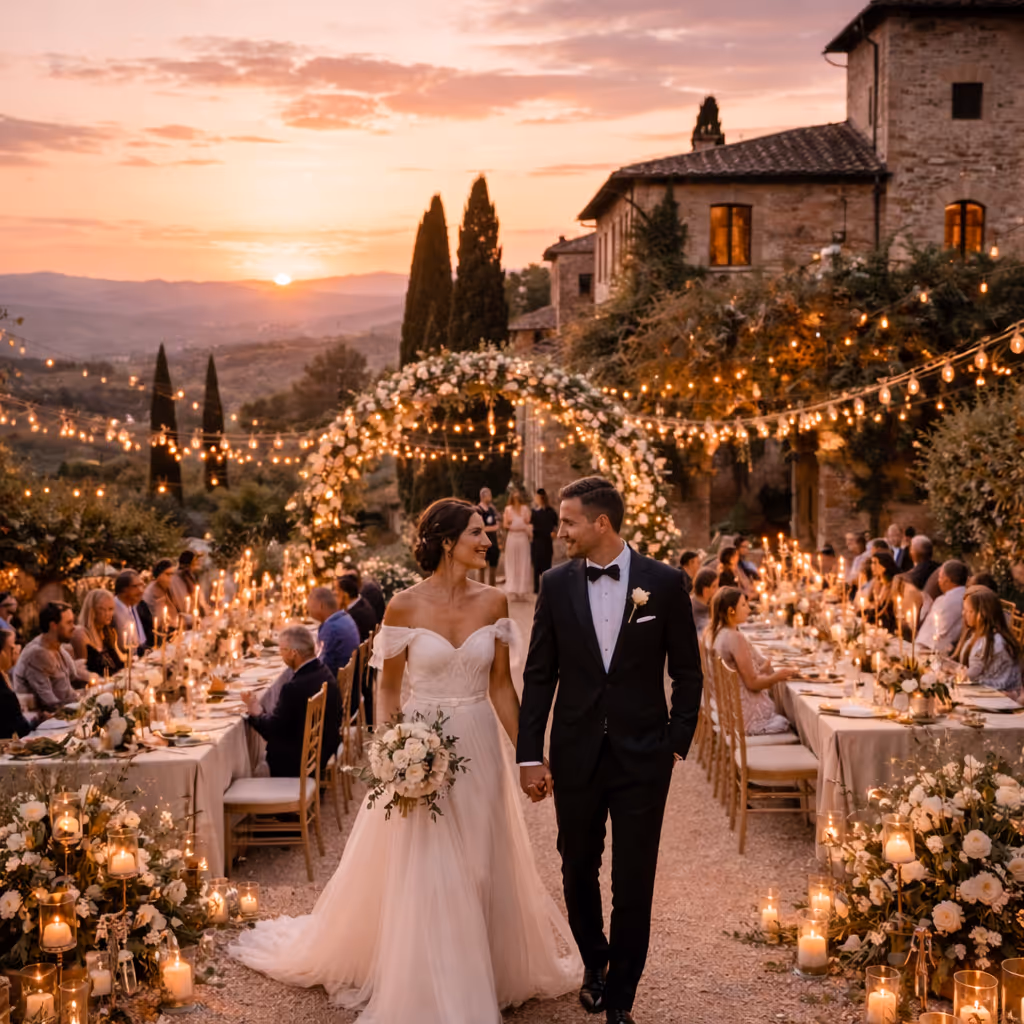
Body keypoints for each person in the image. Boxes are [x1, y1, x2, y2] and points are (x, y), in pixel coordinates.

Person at [231, 498, 580, 1022]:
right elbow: (388, 689)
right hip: (421, 742)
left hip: (479, 740)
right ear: (447, 542)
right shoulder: (403, 606)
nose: (488, 541)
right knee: (428, 862)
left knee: (480, 857)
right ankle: (433, 976)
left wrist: (530, 756)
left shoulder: (494, 603)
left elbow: (502, 688)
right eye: (477, 533)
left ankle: (483, 965)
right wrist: (394, 753)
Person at [518, 476, 703, 1024]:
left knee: (634, 880)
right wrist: (530, 753)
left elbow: (688, 673)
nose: (560, 531)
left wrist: (675, 743)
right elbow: (539, 675)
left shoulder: (664, 583)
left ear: (602, 523)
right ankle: (593, 963)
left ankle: (621, 996)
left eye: (568, 521)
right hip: (575, 752)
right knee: (576, 867)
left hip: (644, 755)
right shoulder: (555, 584)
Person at [244, 624, 340, 776]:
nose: (281, 655)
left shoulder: (293, 687)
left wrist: (256, 714)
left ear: (293, 653)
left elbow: (273, 732)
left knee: (255, 767)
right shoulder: (323, 671)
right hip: (324, 748)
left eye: (282, 650)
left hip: (296, 763)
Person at [706, 588, 796, 735]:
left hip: (731, 714)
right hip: (746, 720)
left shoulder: (717, 633)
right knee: (793, 724)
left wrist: (761, 670)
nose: (748, 609)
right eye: (743, 605)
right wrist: (777, 677)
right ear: (731, 611)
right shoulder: (735, 637)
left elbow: (739, 677)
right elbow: (752, 684)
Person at [12, 602, 88, 710]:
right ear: (53, 626)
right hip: (47, 718)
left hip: (68, 709)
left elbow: (74, 679)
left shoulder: (58, 647)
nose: (73, 627)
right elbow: (50, 703)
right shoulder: (37, 654)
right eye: (69, 623)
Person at [955, 586, 1022, 697]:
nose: (963, 614)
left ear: (982, 615)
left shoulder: (996, 643)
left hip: (999, 699)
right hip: (984, 695)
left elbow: (974, 675)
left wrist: (957, 673)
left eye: (969, 611)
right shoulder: (976, 635)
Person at [309, 586, 359, 684]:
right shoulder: (345, 617)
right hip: (349, 681)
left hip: (335, 684)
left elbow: (320, 667)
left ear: (321, 606)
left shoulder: (331, 628)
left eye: (310, 605)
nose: (308, 609)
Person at [918, 560, 968, 655]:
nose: (938, 581)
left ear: (946, 580)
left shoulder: (945, 600)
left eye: (940, 577)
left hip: (933, 651)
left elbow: (930, 636)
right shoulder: (966, 596)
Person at [71, 588, 124, 676]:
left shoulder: (108, 632)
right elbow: (83, 673)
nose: (108, 614)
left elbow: (118, 663)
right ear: (92, 610)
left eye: (110, 609)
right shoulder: (81, 634)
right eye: (102, 609)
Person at [0, 629, 33, 740]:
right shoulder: (3, 692)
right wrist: (37, 720)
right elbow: (22, 728)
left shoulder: (4, 675)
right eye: (11, 648)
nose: (16, 651)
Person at [502, 488, 533, 601]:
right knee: (512, 562)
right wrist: (513, 525)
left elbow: (528, 521)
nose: (516, 498)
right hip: (513, 537)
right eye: (514, 497)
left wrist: (523, 525)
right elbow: (505, 525)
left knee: (523, 562)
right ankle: (513, 589)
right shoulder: (508, 509)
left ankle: (522, 590)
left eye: (518, 497)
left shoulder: (525, 508)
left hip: (522, 537)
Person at [113, 570, 154, 653]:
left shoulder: (139, 605)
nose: (140, 591)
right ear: (123, 589)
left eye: (141, 586)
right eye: (135, 586)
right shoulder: (112, 610)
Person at [530, 488, 559, 594]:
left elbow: (555, 525)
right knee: (536, 565)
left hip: (546, 541)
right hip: (537, 541)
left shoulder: (550, 512)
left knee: (546, 565)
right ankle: (536, 588)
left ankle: (546, 587)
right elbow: (531, 526)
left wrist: (554, 532)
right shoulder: (534, 512)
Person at [169, 550, 209, 621]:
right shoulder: (176, 579)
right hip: (183, 619)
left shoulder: (191, 577)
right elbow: (182, 602)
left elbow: (199, 599)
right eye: (195, 561)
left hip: (194, 617)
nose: (197, 563)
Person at [142, 559, 180, 635]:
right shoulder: (153, 592)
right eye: (168, 574)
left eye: (172, 575)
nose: (171, 578)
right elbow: (161, 622)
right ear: (158, 575)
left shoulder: (165, 588)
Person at [864, 552, 899, 632]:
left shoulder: (892, 585)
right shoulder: (878, 582)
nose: (872, 566)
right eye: (871, 563)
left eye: (875, 563)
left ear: (884, 566)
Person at [336, 574, 375, 642]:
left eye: (337, 592)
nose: (335, 594)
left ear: (345, 595)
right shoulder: (362, 602)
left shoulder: (354, 615)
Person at [476, 486, 500, 587]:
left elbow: (497, 524)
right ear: (483, 496)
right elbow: (480, 528)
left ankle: (492, 588)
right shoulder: (478, 510)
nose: (490, 497)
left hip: (493, 541)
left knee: (493, 567)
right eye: (489, 495)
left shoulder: (491, 509)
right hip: (482, 543)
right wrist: (492, 528)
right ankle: (481, 588)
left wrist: (491, 528)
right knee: (482, 567)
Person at [690, 568, 718, 638]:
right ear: (705, 590)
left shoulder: (707, 603)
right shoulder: (692, 608)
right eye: (714, 586)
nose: (717, 589)